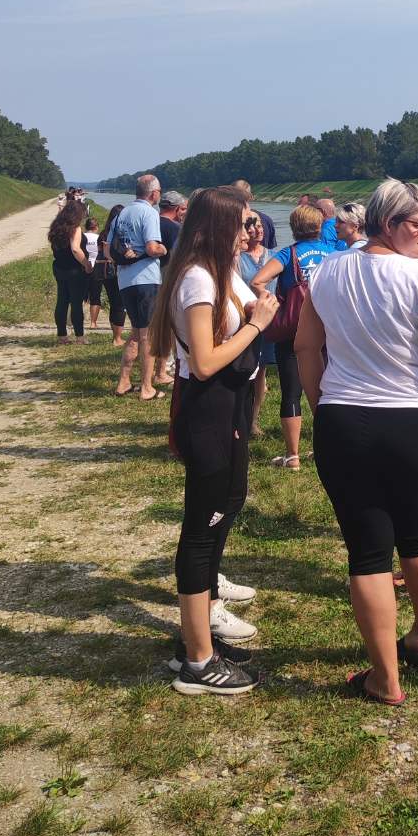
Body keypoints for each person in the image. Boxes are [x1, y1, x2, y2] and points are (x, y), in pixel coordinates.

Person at [294, 178, 418, 705]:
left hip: (345, 418)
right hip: (413, 420)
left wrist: (321, 401)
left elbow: (306, 345)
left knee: (367, 550)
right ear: (389, 225)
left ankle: (384, 680)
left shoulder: (325, 272)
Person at [150, 186, 280, 696]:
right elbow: (204, 361)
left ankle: (198, 634)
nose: (253, 232)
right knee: (201, 529)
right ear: (217, 227)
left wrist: (262, 307)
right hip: (207, 411)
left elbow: (260, 305)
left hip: (230, 407)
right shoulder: (197, 280)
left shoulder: (222, 273)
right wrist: (256, 326)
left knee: (227, 505)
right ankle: (198, 661)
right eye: (244, 223)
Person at [248, 204, 337, 468]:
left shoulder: (289, 254)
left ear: (293, 226)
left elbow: (257, 281)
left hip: (293, 330)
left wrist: (270, 301)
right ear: (320, 226)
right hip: (328, 328)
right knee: (328, 391)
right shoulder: (334, 254)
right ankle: (326, 449)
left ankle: (293, 456)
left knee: (291, 392)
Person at [112, 174, 168, 401]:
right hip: (146, 279)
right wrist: (164, 250)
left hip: (124, 280)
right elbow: (152, 247)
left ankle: (123, 382)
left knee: (136, 332)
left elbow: (109, 250)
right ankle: (147, 387)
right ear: (153, 193)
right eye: (160, 191)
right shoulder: (149, 213)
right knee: (148, 336)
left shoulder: (121, 214)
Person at [238, 212, 278, 438]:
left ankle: (252, 421)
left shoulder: (273, 255)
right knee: (244, 370)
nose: (259, 230)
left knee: (260, 371)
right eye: (253, 226)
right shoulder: (238, 258)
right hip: (245, 321)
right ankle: (238, 419)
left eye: (261, 225)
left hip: (268, 322)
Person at [47, 201, 92, 344]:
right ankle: (80, 337)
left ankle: (62, 336)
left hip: (59, 267)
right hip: (74, 269)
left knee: (62, 301)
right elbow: (75, 249)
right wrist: (87, 264)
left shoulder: (57, 227)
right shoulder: (75, 228)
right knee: (76, 303)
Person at [92, 204, 129, 347]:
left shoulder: (103, 233)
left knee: (114, 303)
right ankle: (117, 338)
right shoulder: (120, 233)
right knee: (120, 304)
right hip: (116, 270)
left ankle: (115, 335)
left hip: (103, 272)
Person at [230, 180, 275, 248]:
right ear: (251, 197)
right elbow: (272, 249)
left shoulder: (226, 221)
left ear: (230, 197)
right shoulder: (267, 220)